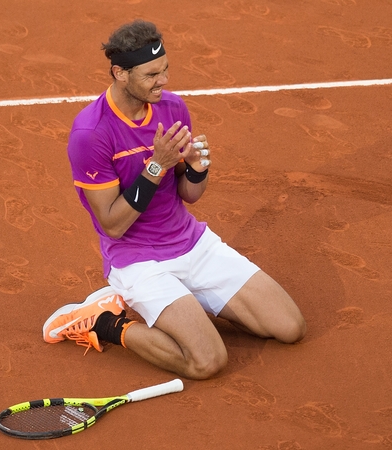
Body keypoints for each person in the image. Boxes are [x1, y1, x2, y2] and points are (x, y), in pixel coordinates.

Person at [43, 19, 306, 380]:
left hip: (192, 244)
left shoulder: (172, 108)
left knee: (290, 327)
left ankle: (188, 302)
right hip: (137, 261)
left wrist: (196, 169)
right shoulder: (91, 133)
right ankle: (103, 322)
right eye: (152, 74)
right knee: (207, 361)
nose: (163, 81)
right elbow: (113, 224)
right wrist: (155, 167)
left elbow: (189, 194)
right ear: (120, 73)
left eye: (165, 69)